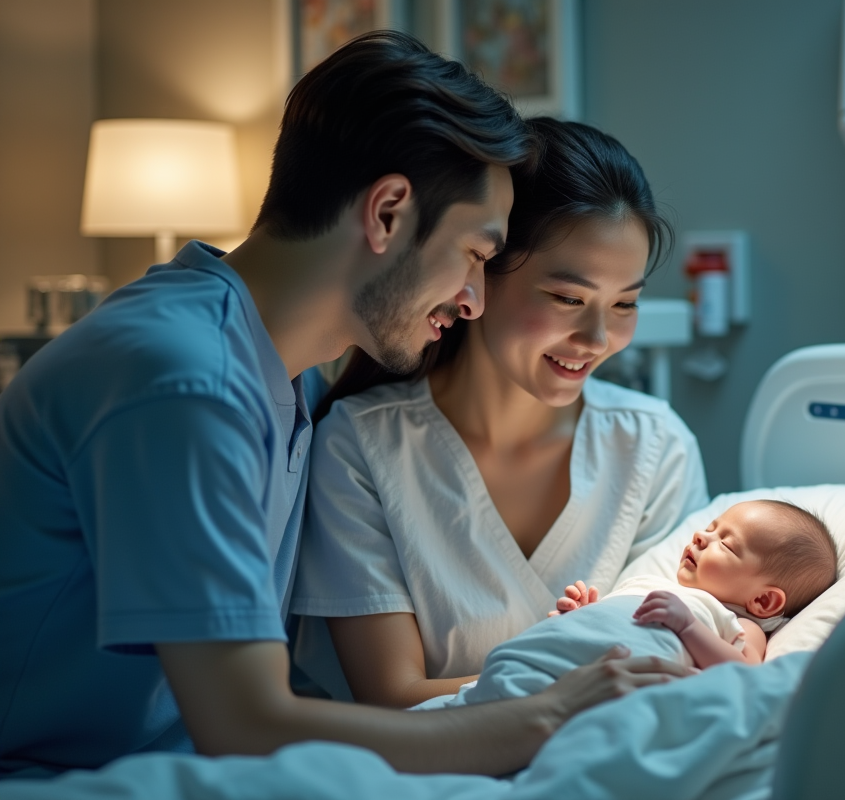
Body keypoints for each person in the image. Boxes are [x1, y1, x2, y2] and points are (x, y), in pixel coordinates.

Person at [0, 31, 691, 779]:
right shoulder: (185, 382)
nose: (471, 298)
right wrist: (551, 712)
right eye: (474, 255)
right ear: (389, 211)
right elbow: (246, 722)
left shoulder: (280, 381)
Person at [290, 117, 710, 709]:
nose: (596, 337)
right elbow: (392, 696)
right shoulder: (360, 449)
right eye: (568, 298)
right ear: (480, 272)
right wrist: (573, 692)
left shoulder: (655, 448)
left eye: (625, 304)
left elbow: (675, 660)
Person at [557, 500, 838, 668]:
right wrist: (586, 615)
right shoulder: (655, 585)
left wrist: (688, 627)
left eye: (726, 545)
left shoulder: (741, 625)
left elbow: (743, 671)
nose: (701, 536)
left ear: (763, 601)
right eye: (711, 528)